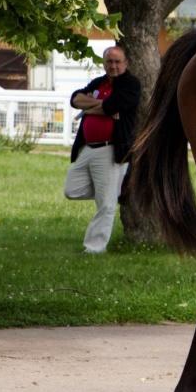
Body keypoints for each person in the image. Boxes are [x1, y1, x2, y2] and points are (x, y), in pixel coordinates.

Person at [65, 44, 141, 253]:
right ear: (104, 63)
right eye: (109, 61)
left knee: (106, 205)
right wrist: (100, 105)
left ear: (126, 63)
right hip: (87, 149)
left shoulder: (131, 85)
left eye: (117, 61)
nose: (113, 65)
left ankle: (94, 248)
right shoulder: (99, 83)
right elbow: (75, 99)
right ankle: (111, 190)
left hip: (110, 150)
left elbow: (112, 107)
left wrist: (90, 109)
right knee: (71, 190)